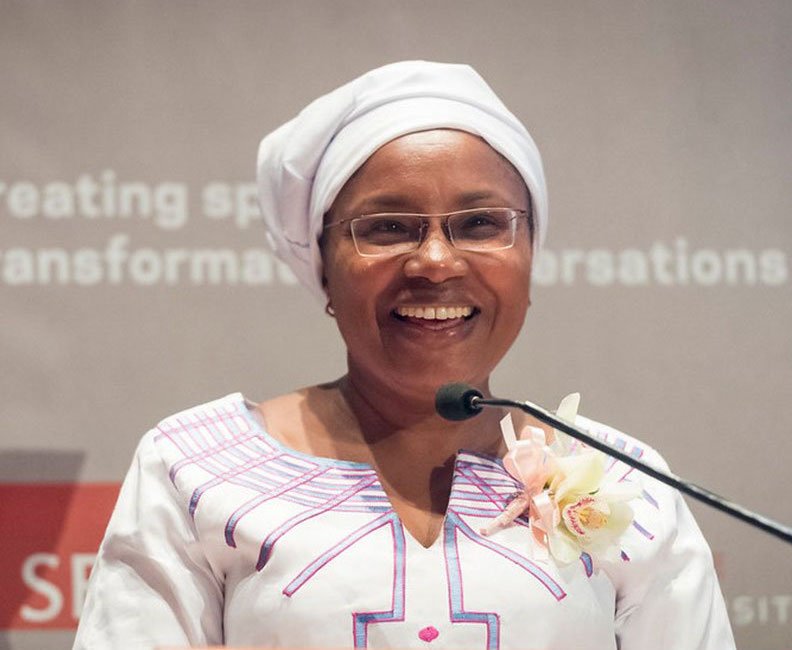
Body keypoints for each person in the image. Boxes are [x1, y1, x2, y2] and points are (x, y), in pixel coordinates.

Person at [74, 61, 735, 649]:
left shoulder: (626, 482)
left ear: (532, 255)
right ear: (323, 268)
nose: (436, 261)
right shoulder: (194, 469)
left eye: (480, 224)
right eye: (387, 228)